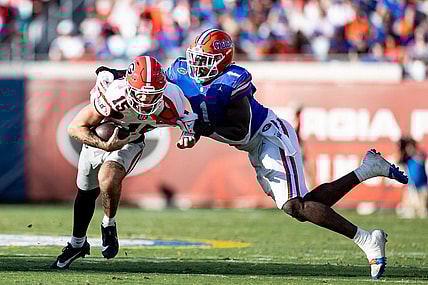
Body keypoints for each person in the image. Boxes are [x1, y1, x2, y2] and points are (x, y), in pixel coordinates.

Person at [96, 29, 408, 279]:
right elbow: (151, 75)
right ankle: (367, 169)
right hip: (253, 146)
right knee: (303, 206)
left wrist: (193, 125)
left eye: (205, 60)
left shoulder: (233, 81)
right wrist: (114, 72)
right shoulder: (181, 70)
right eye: (196, 58)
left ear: (221, 62)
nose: (196, 65)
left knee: (295, 206)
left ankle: (367, 239)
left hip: (267, 136)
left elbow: (240, 131)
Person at [51, 56, 197, 269]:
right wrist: (105, 146)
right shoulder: (113, 95)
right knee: (86, 193)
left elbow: (188, 121)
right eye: (142, 95)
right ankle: (77, 244)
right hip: (98, 139)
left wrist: (189, 135)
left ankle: (108, 225)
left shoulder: (172, 97)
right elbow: (75, 127)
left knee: (108, 179)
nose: (147, 101)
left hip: (131, 140)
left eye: (153, 95)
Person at [397, 136, 428, 218]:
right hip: (411, 186)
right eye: (407, 147)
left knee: (422, 210)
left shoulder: (419, 156)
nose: (409, 149)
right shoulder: (407, 159)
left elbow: (421, 157)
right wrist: (402, 148)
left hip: (422, 185)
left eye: (410, 147)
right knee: (410, 208)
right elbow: (399, 161)